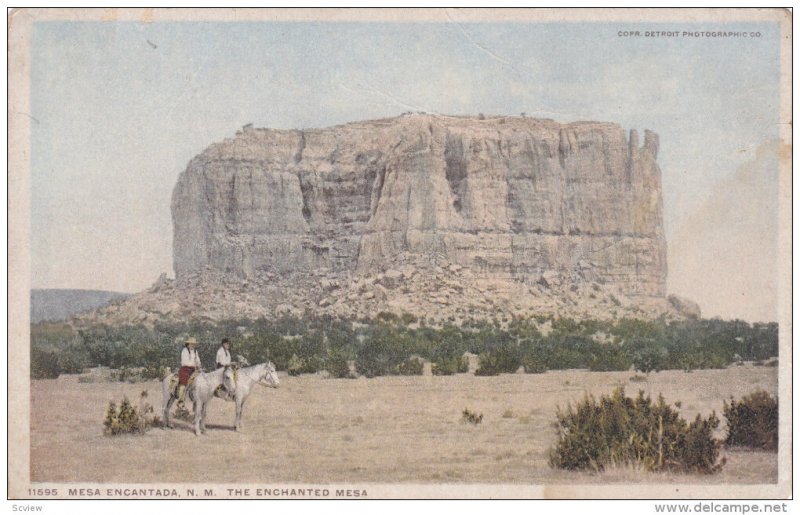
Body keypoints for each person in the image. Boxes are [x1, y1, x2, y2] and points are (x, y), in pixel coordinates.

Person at [177, 336, 202, 408]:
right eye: (191, 344)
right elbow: (185, 362)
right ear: (188, 344)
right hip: (185, 369)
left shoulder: (195, 351)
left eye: (194, 344)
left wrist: (199, 365)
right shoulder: (184, 351)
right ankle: (180, 400)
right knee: (184, 383)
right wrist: (194, 365)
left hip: (194, 370)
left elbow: (198, 360)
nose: (193, 346)